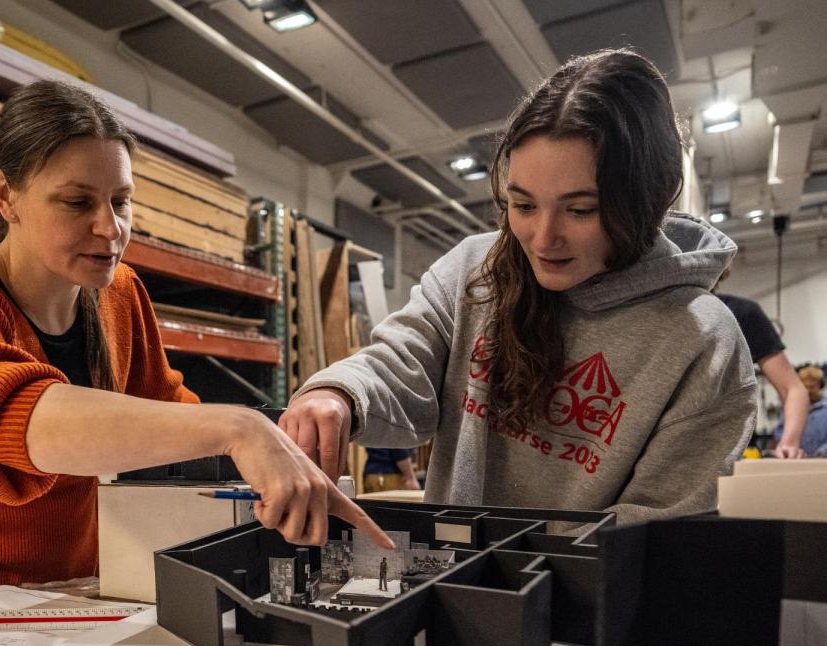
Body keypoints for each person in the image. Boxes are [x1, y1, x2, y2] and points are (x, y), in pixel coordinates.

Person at [0, 81, 390, 592]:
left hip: (85, 584)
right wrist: (240, 429)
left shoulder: (119, 293)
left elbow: (167, 413)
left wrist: (280, 451)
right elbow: (25, 423)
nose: (110, 229)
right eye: (77, 201)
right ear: (5, 195)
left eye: (121, 201)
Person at [279, 49, 756, 524]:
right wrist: (337, 395)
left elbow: (658, 524)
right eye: (523, 205)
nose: (543, 238)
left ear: (647, 200)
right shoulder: (476, 269)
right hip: (453, 582)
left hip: (590, 593)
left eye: (580, 210)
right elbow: (401, 362)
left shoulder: (702, 341)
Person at [717, 292, 809, 458]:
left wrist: (788, 444)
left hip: (724, 456)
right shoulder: (656, 313)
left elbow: (793, 389)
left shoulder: (740, 313)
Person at [774, 366, 827, 457]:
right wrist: (789, 447)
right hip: (795, 458)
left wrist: (822, 451)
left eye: (812, 387)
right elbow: (779, 431)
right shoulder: (791, 408)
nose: (809, 391)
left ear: (820, 386)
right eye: (805, 387)